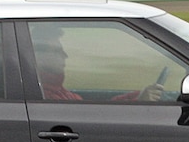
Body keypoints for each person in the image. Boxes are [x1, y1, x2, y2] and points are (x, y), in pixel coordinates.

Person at [32, 26, 164, 102]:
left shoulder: (56, 90)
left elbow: (95, 112)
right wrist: (139, 103)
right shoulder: (47, 96)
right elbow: (90, 121)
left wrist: (137, 97)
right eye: (57, 51)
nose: (65, 55)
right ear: (38, 58)